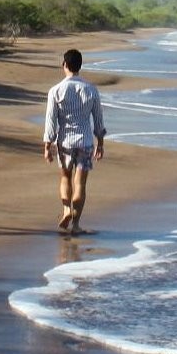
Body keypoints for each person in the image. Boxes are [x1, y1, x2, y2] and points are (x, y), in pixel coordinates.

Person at [43, 48, 105, 234]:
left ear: (64, 65)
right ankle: (76, 225)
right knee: (80, 184)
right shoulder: (91, 89)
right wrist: (100, 142)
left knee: (65, 178)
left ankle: (66, 209)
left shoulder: (55, 90)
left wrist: (47, 144)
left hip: (65, 142)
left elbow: (50, 121)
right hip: (85, 141)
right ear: (80, 66)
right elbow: (98, 119)